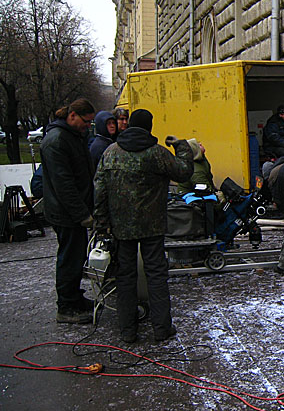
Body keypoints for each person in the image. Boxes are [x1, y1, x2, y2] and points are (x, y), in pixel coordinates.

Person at [93, 108, 193, 344]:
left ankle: (128, 330)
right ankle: (161, 328)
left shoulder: (111, 153)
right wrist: (182, 147)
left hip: (121, 228)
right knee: (156, 275)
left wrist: (101, 223)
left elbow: (99, 191)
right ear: (149, 127)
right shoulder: (157, 153)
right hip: (153, 226)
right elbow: (184, 172)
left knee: (124, 277)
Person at [40, 98, 97, 324]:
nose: (88, 126)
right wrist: (82, 215)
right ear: (72, 115)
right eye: (86, 121)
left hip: (72, 210)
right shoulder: (56, 141)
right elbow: (64, 185)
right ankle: (66, 306)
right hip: (66, 213)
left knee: (75, 256)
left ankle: (74, 297)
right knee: (69, 258)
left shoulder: (71, 136)